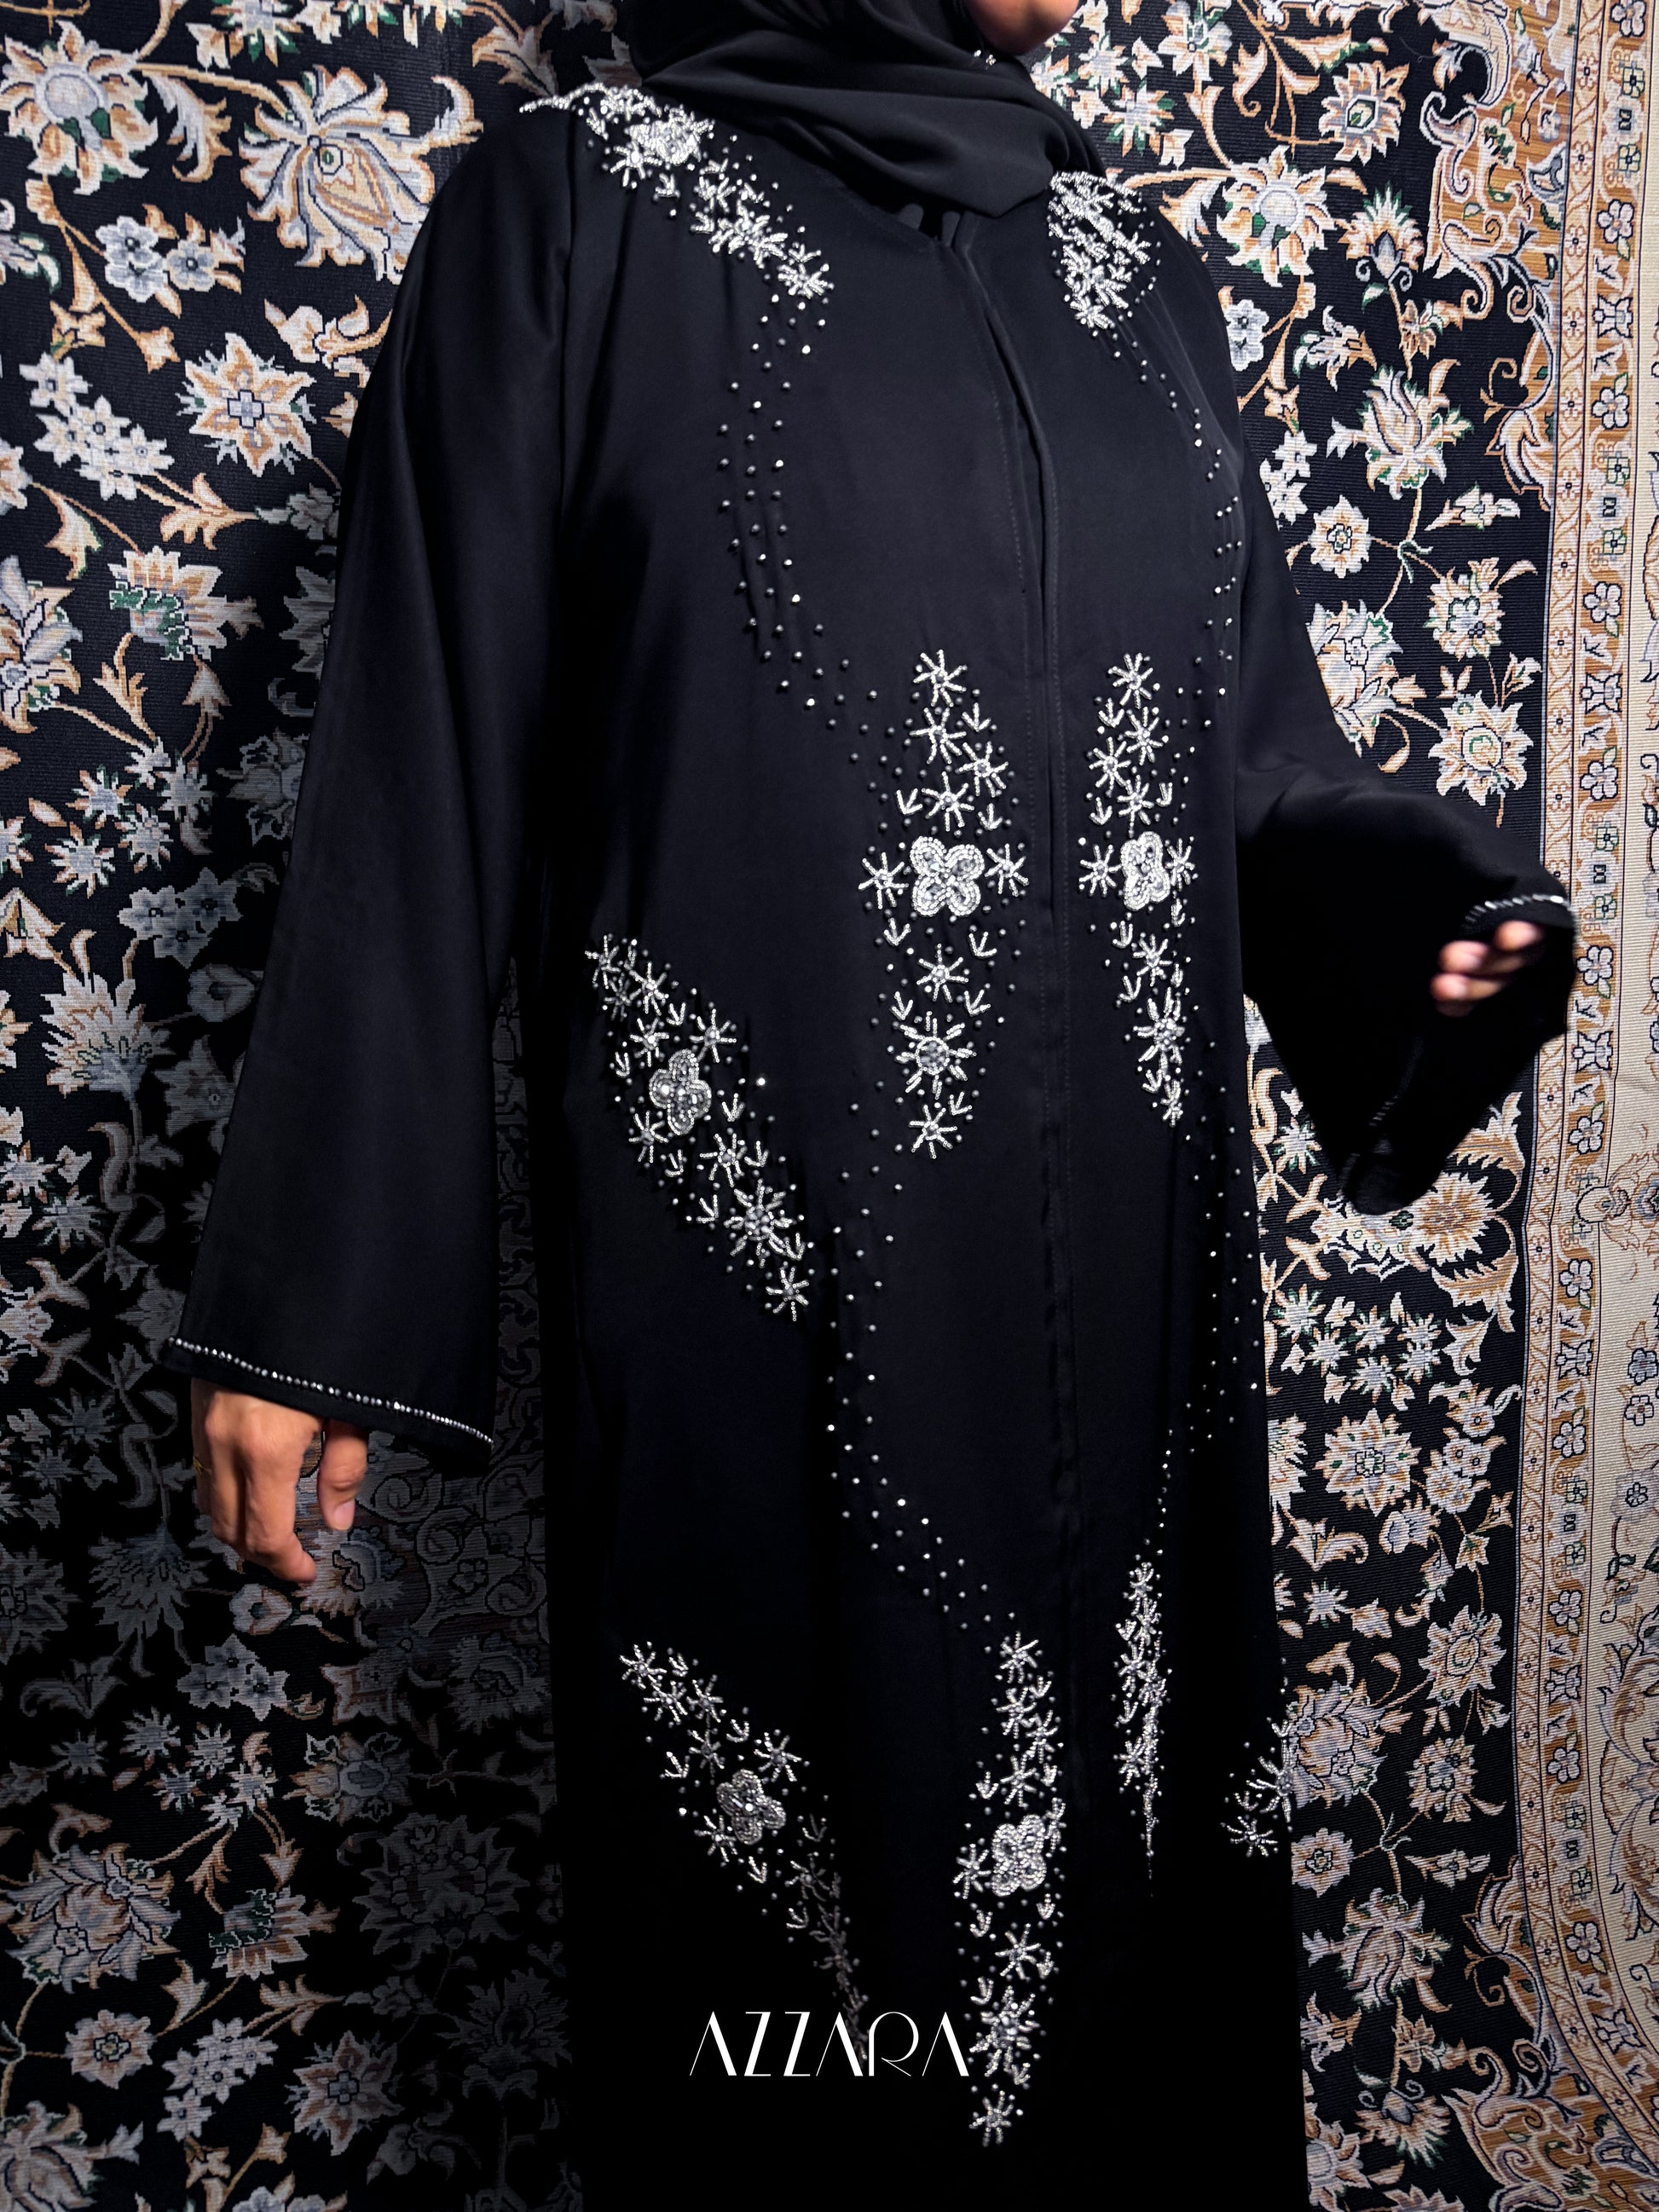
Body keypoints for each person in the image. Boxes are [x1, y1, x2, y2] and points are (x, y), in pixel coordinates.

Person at [168, 0, 1573, 2198]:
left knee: (1130, 1920)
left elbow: (1252, 760)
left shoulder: (1131, 276)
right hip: (773, 1288)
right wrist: (315, 1302)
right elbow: (420, 759)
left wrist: (1425, 914)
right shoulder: (579, 221)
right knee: (804, 1982)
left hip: (1133, 1311)